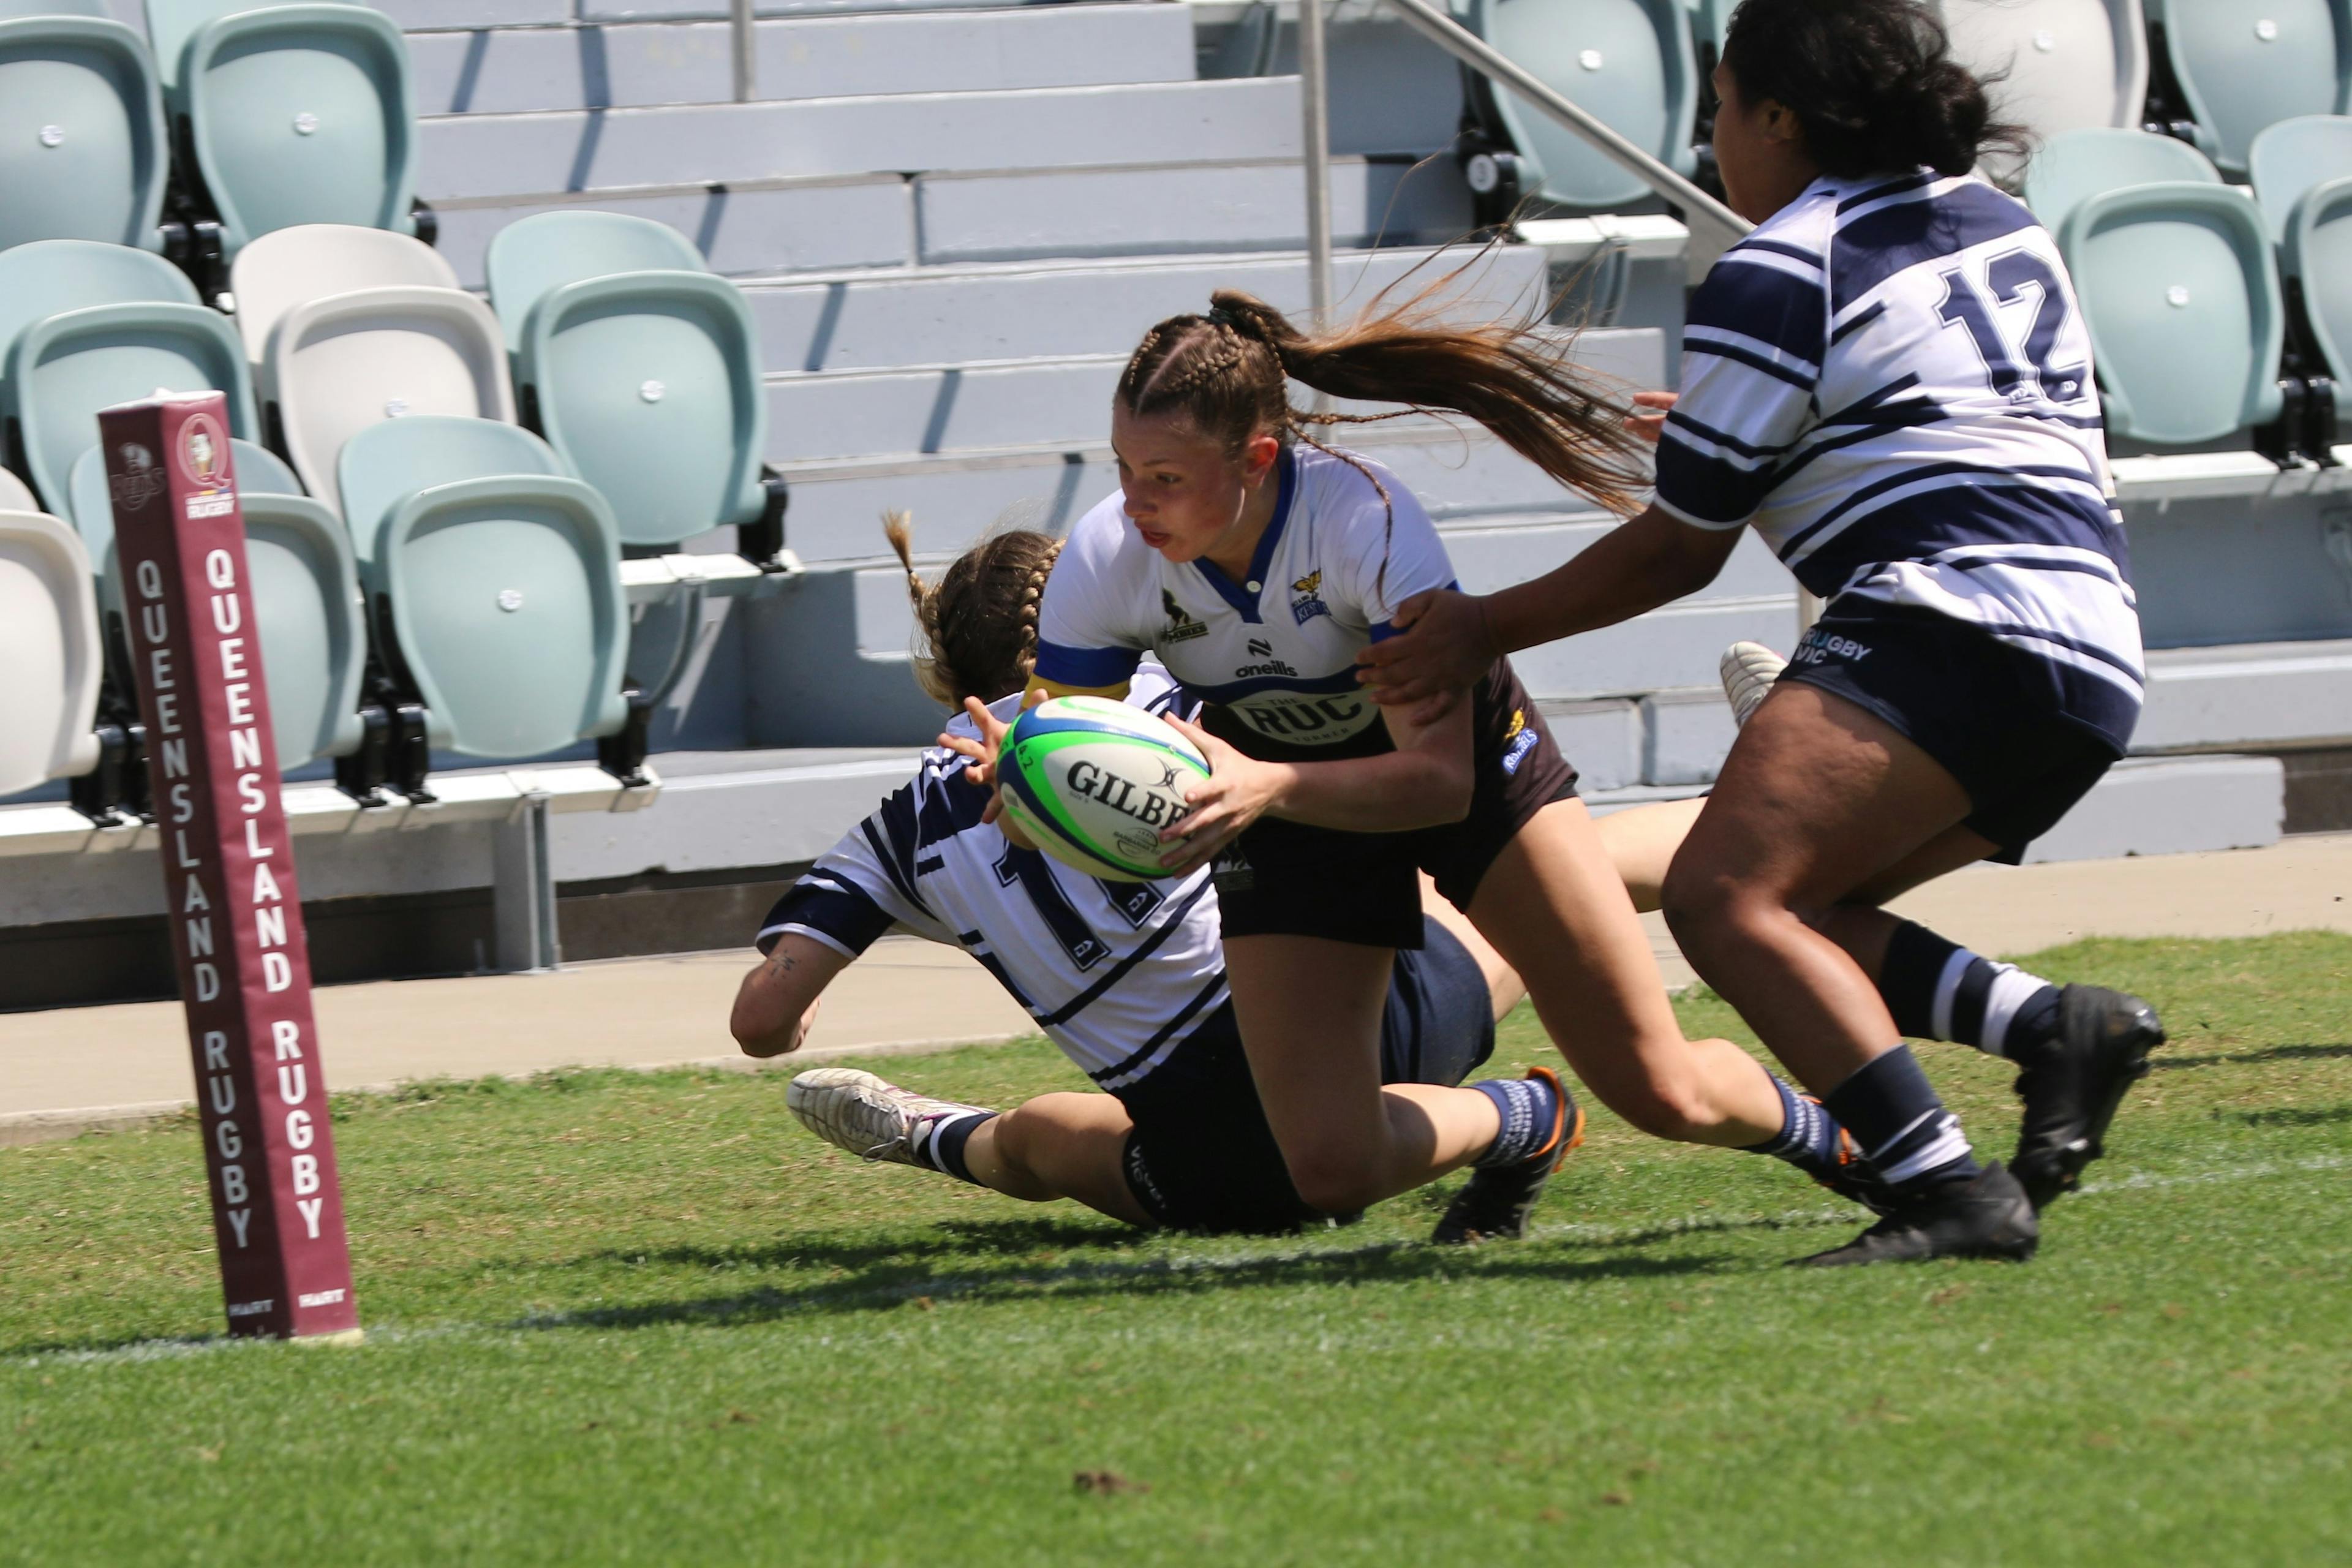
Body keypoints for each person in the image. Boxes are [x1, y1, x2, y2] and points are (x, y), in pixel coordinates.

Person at [1358, 0, 2163, 1265]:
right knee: (1801, 915)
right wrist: (1750, 430)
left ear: (1781, 116)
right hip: (2092, 648)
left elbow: (1680, 550)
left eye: (1725, 104)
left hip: (1952, 622)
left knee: (1723, 899)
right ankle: (2054, 1027)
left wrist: (1481, 629)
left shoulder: (1787, 260)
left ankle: (1948, 1189)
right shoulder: (1997, 217)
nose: (1713, 134)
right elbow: (1941, 426)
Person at [944, 285, 1895, 1241]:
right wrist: (1027, 789)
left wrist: (1268, 787)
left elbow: (1439, 784)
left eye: (1165, 477)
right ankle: (1526, 1120)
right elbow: (1073, 739)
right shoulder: (1109, 556)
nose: (1134, 501)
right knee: (1329, 1168)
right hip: (1279, 796)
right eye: (1123, 467)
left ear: (1258, 460)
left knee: (1661, 1089)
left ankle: (1854, 1141)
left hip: (1454, 774)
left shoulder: (1360, 521)